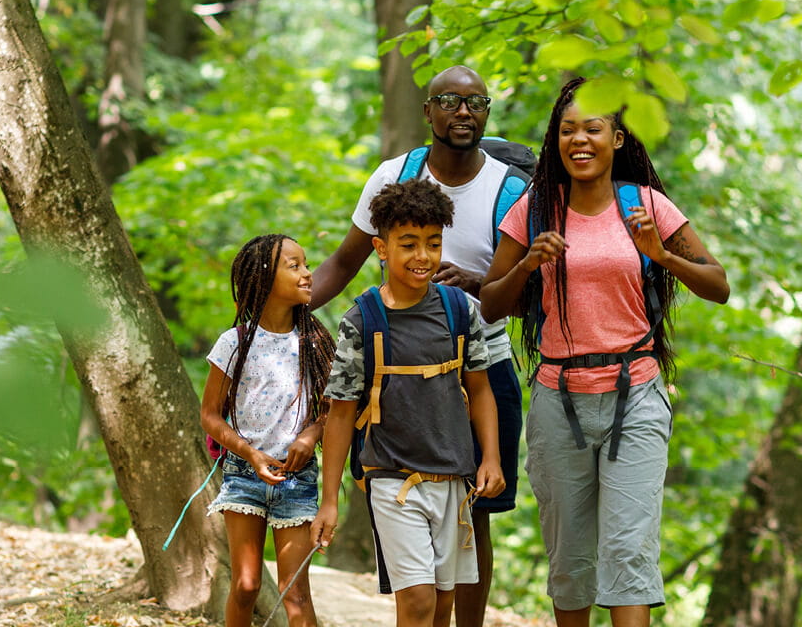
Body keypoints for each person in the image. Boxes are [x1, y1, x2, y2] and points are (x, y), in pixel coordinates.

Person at [479, 77, 730, 627]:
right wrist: (526, 266)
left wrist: (661, 255)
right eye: (568, 130)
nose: (579, 140)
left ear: (617, 137)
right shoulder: (534, 210)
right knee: (570, 559)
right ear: (556, 139)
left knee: (628, 552)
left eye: (593, 128)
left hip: (635, 395)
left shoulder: (647, 205)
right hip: (557, 399)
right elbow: (490, 306)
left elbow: (718, 284)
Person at [309, 64, 529, 627]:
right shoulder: (394, 174)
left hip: (481, 365)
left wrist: (474, 285)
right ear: (427, 111)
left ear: (487, 113)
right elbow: (343, 261)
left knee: (475, 511)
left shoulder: (510, 188)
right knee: (402, 500)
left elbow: (525, 295)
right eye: (450, 100)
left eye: (476, 102)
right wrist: (279, 311)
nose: (463, 111)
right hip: (397, 368)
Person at [317, 180, 506, 627]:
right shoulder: (362, 319)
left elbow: (480, 390)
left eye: (433, 243)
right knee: (418, 602)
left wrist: (492, 458)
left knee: (442, 605)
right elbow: (341, 412)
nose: (423, 256)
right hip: (392, 479)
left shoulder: (461, 309)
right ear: (381, 248)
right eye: (408, 244)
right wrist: (330, 501)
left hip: (454, 479)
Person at [198, 234, 332, 627]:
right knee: (245, 584)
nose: (308, 273)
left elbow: (332, 411)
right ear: (264, 277)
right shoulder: (234, 343)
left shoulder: (315, 342)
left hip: (298, 479)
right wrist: (250, 454)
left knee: (297, 596)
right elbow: (209, 415)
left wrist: (310, 435)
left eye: (306, 264)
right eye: (295, 266)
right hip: (244, 476)